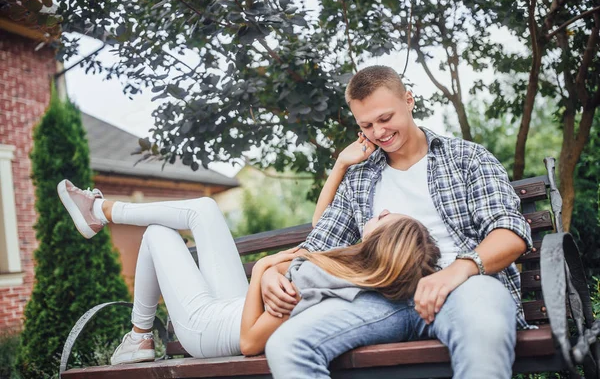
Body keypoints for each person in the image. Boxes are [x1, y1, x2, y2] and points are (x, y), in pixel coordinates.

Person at [262, 65, 533, 379]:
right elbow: (319, 247)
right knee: (286, 344)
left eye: (385, 118)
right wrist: (271, 271)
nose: (378, 132)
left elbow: (510, 232)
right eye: (366, 125)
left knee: (483, 328)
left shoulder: (466, 158)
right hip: (379, 301)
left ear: (409, 100)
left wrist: (456, 272)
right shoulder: (359, 179)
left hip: (463, 289)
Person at [56, 168, 438, 364]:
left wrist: (263, 268)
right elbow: (321, 228)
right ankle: (102, 213)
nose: (382, 210)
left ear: (380, 245)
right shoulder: (345, 267)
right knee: (203, 208)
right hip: (235, 306)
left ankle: (139, 335)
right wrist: (340, 164)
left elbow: (250, 342)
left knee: (158, 234)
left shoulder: (325, 285)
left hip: (211, 328)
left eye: (386, 218)